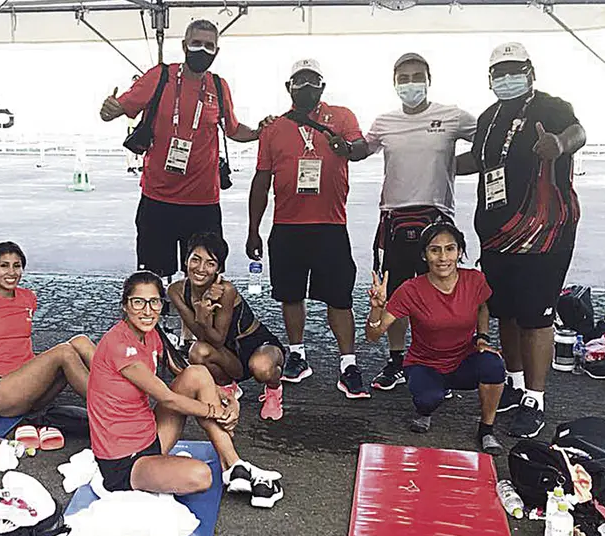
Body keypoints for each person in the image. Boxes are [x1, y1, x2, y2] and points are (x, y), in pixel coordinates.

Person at [456, 42, 586, 438]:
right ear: (490, 78)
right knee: (506, 313)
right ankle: (513, 384)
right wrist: (429, 153)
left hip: (544, 235)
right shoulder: (488, 117)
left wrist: (560, 145)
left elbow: (578, 132)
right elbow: (476, 161)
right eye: (500, 71)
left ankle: (535, 398)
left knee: (536, 317)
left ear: (530, 71)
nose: (506, 77)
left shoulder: (551, 106)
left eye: (515, 69)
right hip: (496, 234)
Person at [88, 271, 283, 508]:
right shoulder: (118, 344)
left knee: (198, 373)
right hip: (124, 462)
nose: (147, 311)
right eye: (138, 302)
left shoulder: (150, 335)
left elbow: (184, 372)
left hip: (151, 436)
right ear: (125, 306)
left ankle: (234, 465)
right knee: (201, 476)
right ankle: (232, 466)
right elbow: (168, 399)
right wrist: (215, 411)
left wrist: (226, 396)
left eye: (154, 302)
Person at [99, 19, 262, 281]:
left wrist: (258, 133)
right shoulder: (160, 77)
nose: (202, 50)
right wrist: (109, 110)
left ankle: (196, 323)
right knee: (155, 277)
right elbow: (118, 109)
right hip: (158, 199)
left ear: (217, 52)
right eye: (196, 43)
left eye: (209, 46)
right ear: (184, 45)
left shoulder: (219, 87)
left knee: (204, 279)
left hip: (203, 203)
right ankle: (160, 321)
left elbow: (232, 129)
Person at [246, 58, 370, 399]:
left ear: (323, 86)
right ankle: (297, 354)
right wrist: (253, 229)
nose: (306, 87)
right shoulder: (274, 127)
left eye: (312, 81)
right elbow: (261, 180)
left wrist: (345, 148)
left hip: (331, 225)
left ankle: (348, 363)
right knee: (290, 294)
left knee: (339, 297)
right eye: (299, 81)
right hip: (286, 226)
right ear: (289, 88)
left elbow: (361, 149)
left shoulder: (342, 117)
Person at [364, 53, 477, 392]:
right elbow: (358, 149)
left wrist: (452, 166)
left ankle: (444, 361)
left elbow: (490, 141)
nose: (411, 83)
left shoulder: (452, 116)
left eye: (417, 76)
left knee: (440, 294)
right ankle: (397, 360)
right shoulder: (384, 121)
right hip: (394, 217)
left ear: (429, 79)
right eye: (404, 77)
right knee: (396, 294)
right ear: (394, 82)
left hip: (437, 216)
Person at [364, 222, 505, 455]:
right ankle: (425, 411)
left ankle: (486, 430)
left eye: (450, 249)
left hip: (463, 360)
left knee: (494, 365)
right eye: (434, 250)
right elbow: (372, 335)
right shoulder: (411, 289)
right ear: (424, 255)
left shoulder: (474, 280)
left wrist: (482, 337)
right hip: (424, 364)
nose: (443, 257)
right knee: (428, 398)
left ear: (460, 252)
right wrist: (377, 308)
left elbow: (482, 307)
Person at [0, 242, 96, 418]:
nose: (12, 273)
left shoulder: (28, 298)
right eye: (4, 266)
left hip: (30, 384)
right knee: (64, 352)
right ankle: (112, 407)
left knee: (80, 341)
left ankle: (123, 395)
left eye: (17, 266)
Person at [168, 233, 286, 421]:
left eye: (210, 263)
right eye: (195, 260)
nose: (200, 269)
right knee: (197, 352)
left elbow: (217, 339)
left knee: (262, 368)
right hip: (226, 353)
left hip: (254, 342)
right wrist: (202, 312)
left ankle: (274, 390)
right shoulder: (176, 290)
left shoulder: (226, 290)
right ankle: (227, 386)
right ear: (185, 260)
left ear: (219, 269)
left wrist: (203, 315)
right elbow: (203, 338)